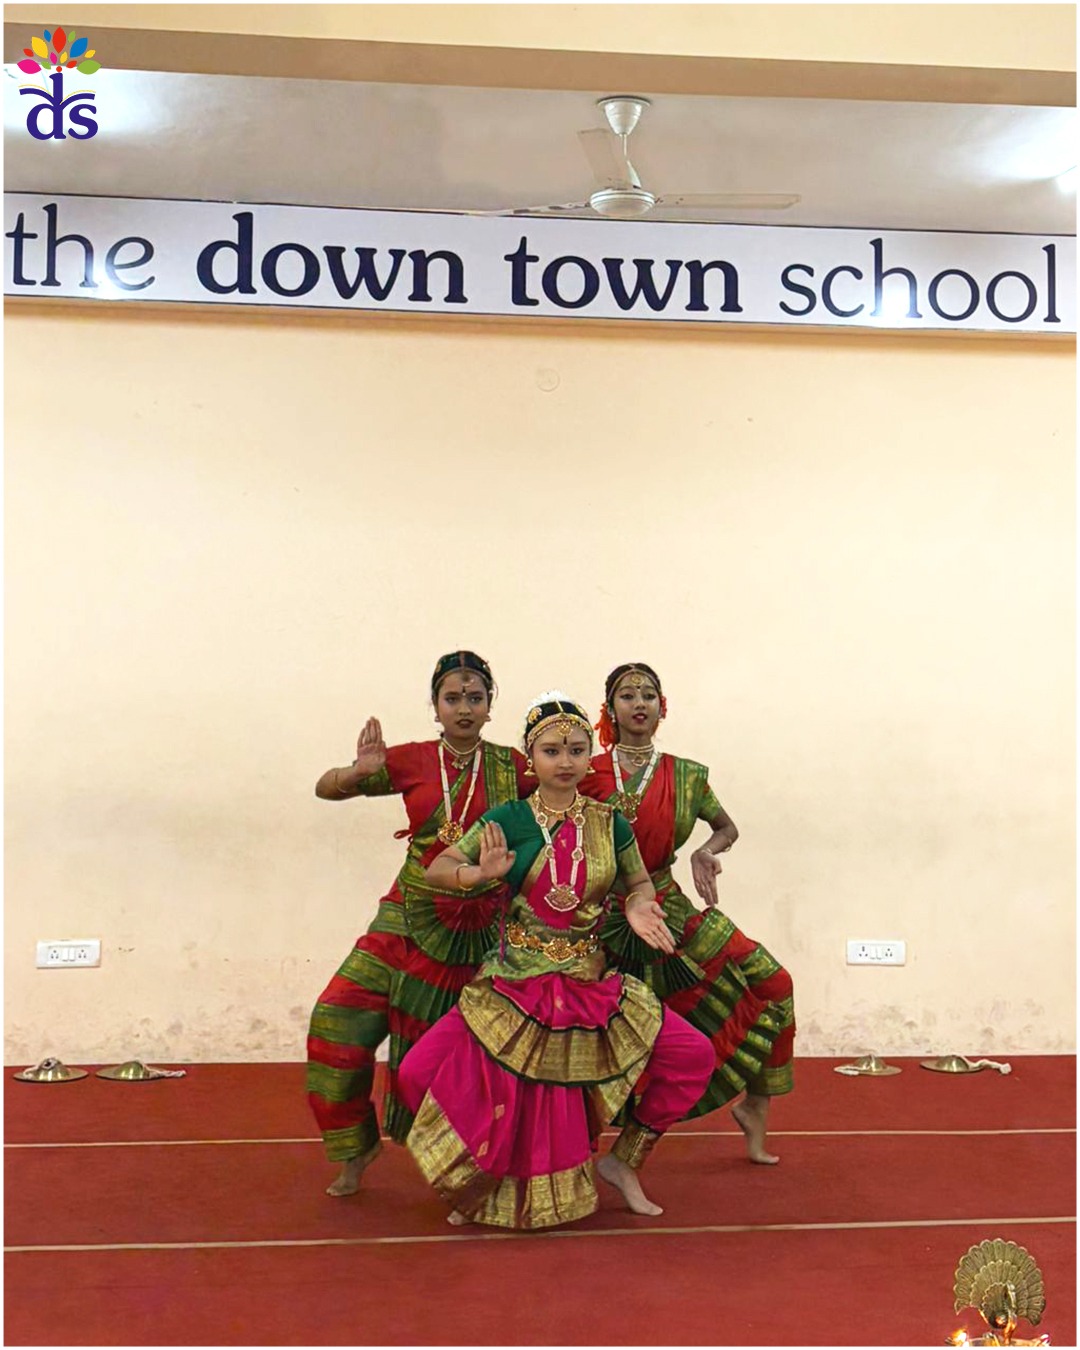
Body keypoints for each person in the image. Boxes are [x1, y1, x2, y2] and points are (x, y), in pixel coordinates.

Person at [398, 693, 715, 1229]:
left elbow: (639, 881)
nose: (565, 761)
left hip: (587, 986)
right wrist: (477, 875)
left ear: (590, 755)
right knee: (416, 1072)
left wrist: (638, 905)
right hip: (513, 985)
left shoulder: (610, 823)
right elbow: (439, 867)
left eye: (576, 750)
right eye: (551, 751)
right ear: (531, 757)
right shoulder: (508, 819)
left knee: (692, 1056)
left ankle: (624, 1160)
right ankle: (476, 1175)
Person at [306, 651, 530, 1196]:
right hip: (406, 915)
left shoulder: (514, 767)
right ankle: (355, 1148)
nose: (464, 708)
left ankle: (474, 1162)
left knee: (459, 1058)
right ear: (435, 705)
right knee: (336, 1021)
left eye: (475, 698)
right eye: (452, 698)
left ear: (490, 705)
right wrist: (356, 773)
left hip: (480, 930)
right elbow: (325, 788)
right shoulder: (413, 759)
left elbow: (567, 797)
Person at [581, 663, 794, 1165]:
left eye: (648, 695)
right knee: (600, 1037)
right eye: (627, 695)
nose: (639, 703)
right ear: (609, 709)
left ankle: (756, 1105)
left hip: (668, 906)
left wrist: (705, 850)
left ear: (663, 706)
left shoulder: (688, 775)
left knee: (774, 981)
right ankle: (575, 1155)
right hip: (599, 916)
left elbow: (726, 827)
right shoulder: (583, 770)